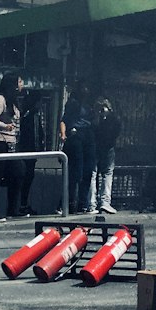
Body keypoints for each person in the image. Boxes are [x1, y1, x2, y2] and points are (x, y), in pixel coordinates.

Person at [0, 72, 22, 222]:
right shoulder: (0, 100)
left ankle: (13, 208)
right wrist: (5, 126)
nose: (22, 85)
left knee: (18, 172)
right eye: (20, 81)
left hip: (10, 142)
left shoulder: (12, 101)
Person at [59, 80, 95, 213]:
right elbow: (64, 119)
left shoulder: (91, 103)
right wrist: (64, 134)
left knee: (88, 170)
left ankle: (83, 203)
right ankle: (69, 202)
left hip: (88, 134)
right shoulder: (73, 103)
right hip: (77, 134)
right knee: (76, 172)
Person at [16, 89, 45, 216]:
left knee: (26, 178)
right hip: (29, 151)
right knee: (27, 178)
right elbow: (34, 135)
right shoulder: (32, 115)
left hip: (27, 150)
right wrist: (38, 149)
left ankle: (22, 204)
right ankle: (22, 205)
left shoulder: (27, 114)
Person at [92, 96, 122, 214]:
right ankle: (103, 202)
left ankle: (92, 203)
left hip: (100, 147)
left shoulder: (97, 119)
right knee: (105, 174)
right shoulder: (112, 119)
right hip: (105, 147)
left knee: (96, 174)